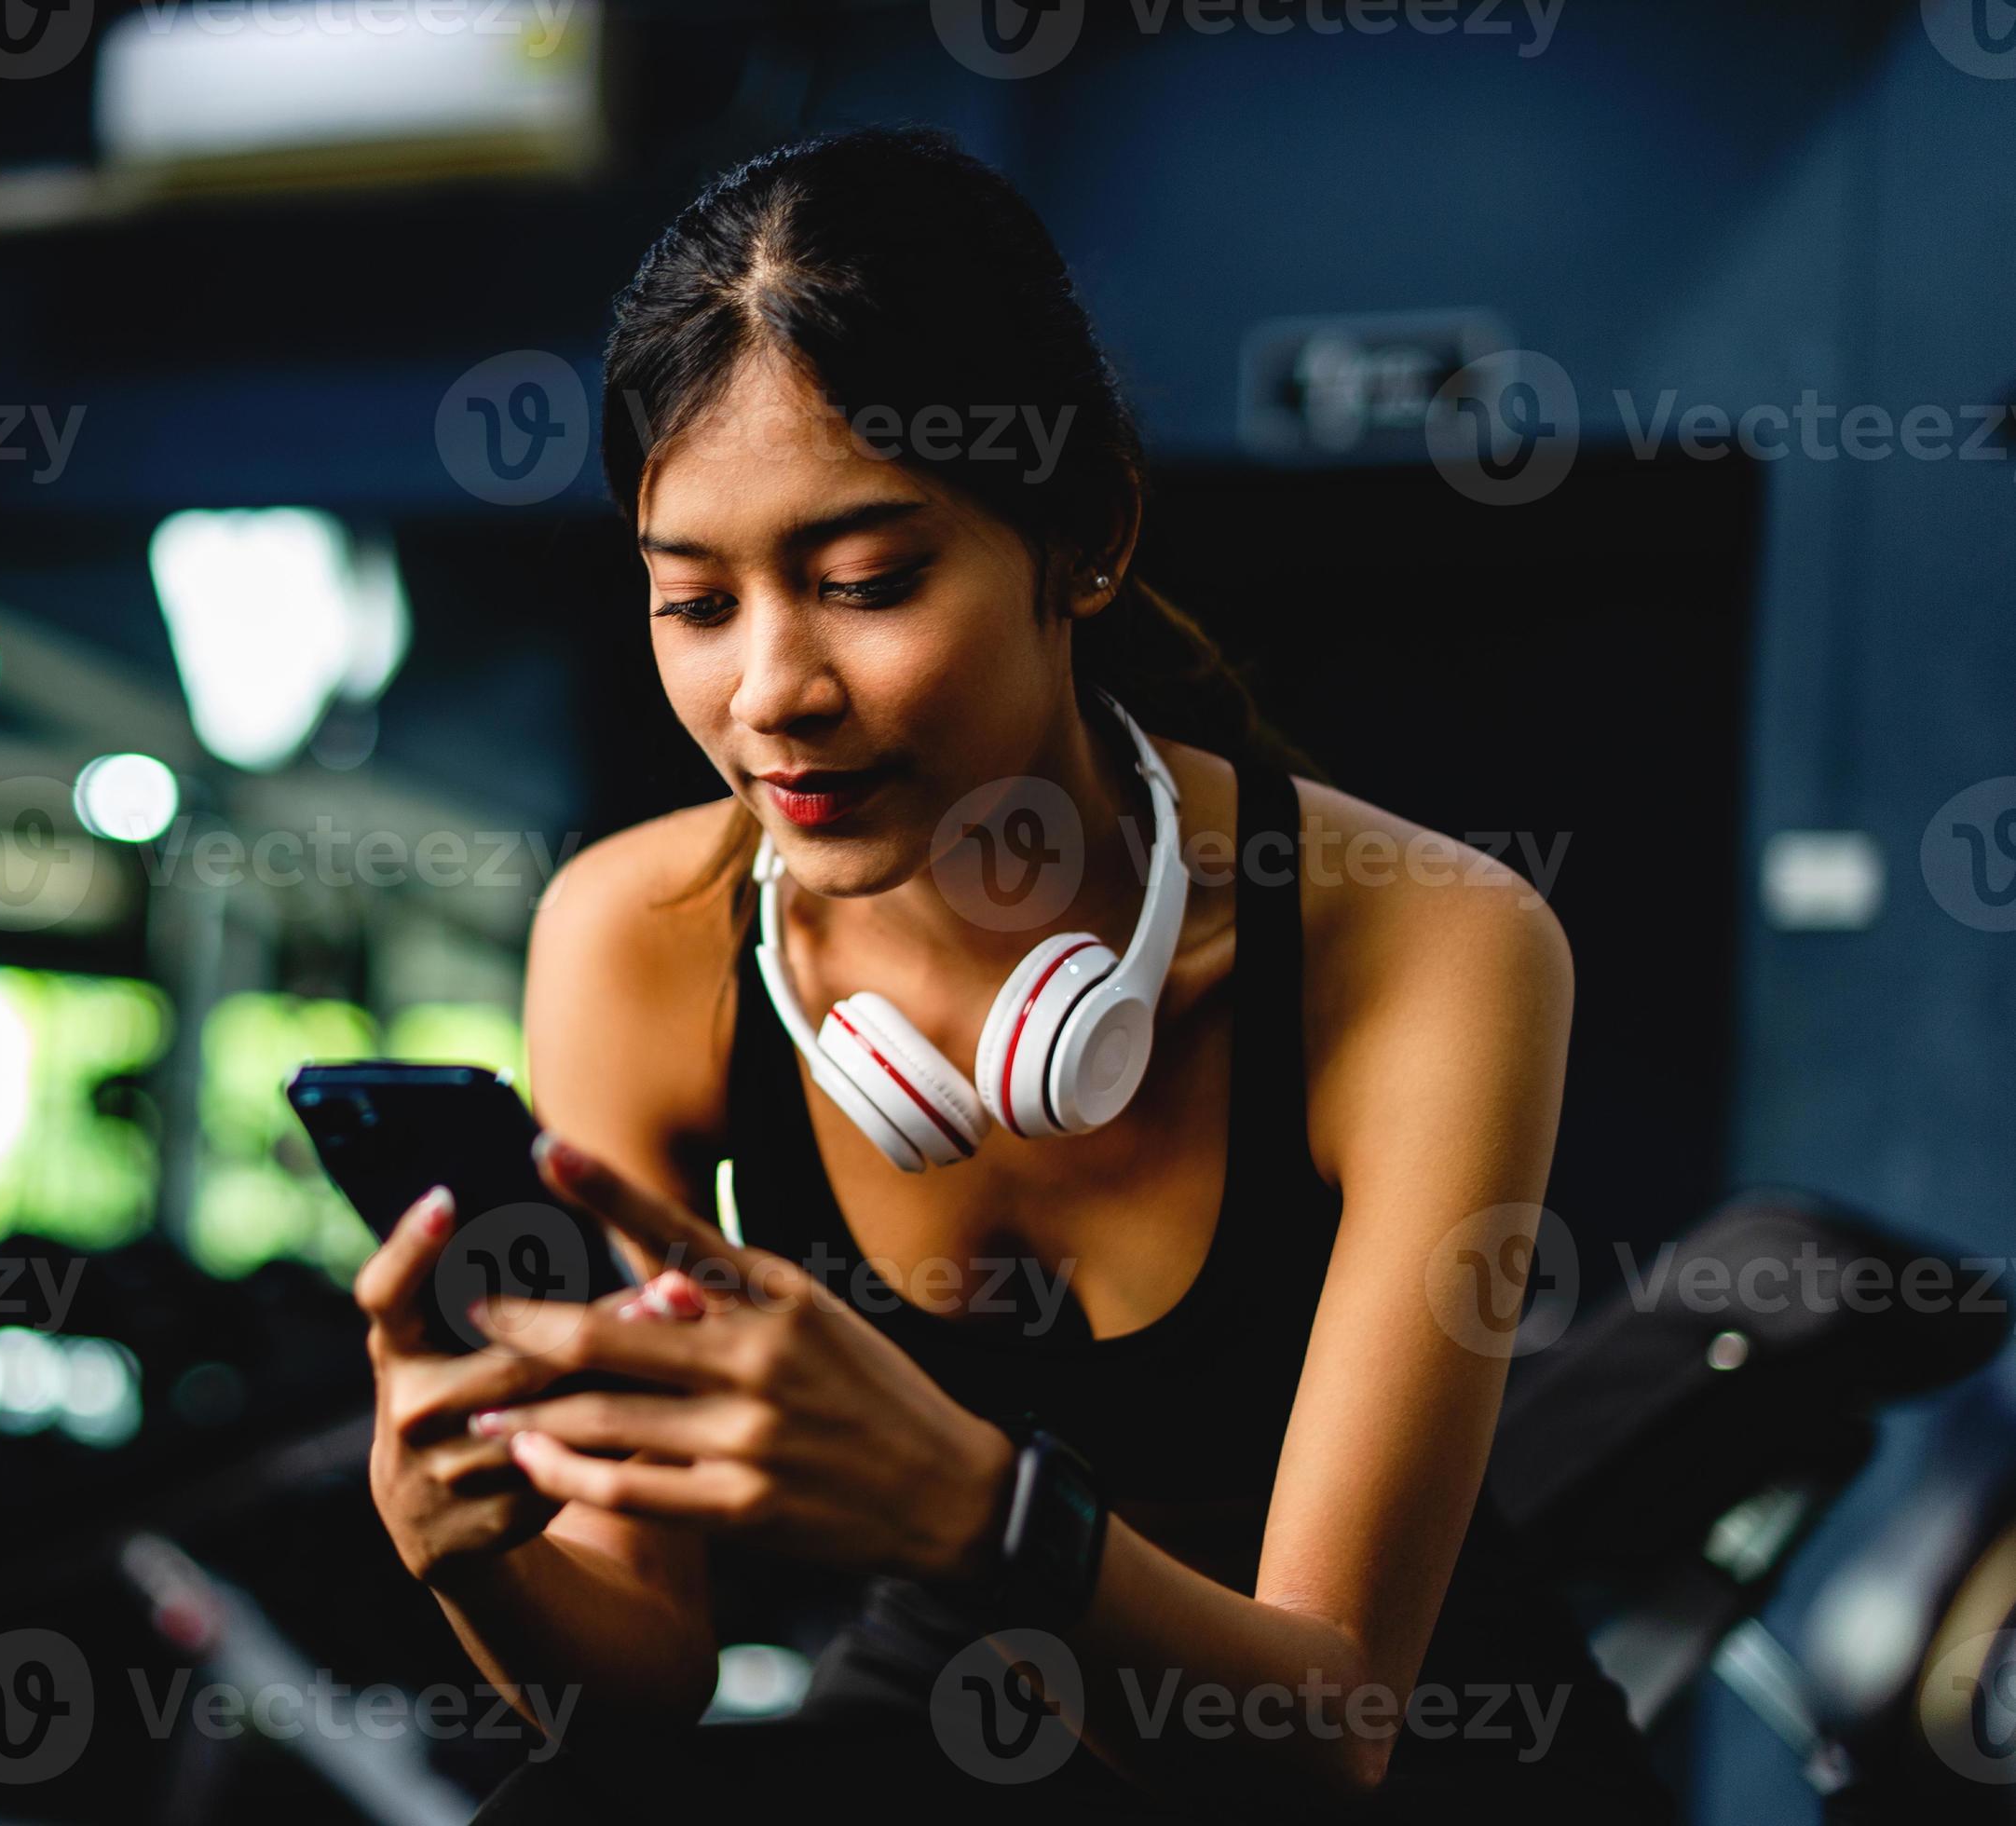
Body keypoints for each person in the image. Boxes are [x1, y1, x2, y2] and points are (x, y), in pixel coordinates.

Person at [353, 125, 1675, 1822]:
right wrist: (465, 1547)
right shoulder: (634, 942)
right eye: (694, 603)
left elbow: (1326, 1734)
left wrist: (972, 1511)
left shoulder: (1427, 944)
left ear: (1088, 532)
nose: (773, 692)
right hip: (965, 1707)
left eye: (865, 584)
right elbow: (642, 1676)